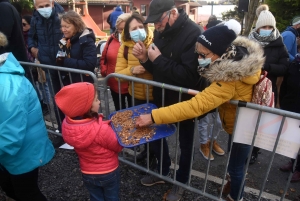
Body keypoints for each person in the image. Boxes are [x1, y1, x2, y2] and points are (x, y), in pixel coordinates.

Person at [136, 20, 265, 201]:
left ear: (219, 53)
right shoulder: (238, 57)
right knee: (235, 164)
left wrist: (153, 116)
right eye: (198, 54)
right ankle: (233, 188)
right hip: (238, 123)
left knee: (236, 167)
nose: (199, 59)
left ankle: (236, 197)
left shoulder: (229, 79)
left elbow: (195, 106)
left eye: (203, 54)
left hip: (242, 127)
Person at [132, 0, 203, 200]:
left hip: (184, 102)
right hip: (161, 96)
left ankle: (181, 182)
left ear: (172, 13)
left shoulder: (194, 33)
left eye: (159, 21)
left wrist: (157, 59)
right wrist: (145, 59)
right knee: (157, 135)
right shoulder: (161, 31)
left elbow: (190, 76)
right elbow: (157, 70)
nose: (156, 26)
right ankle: (162, 172)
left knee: (185, 143)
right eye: (153, 22)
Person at [0, 32, 55, 201]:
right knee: (13, 190)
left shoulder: (8, 83)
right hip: (12, 151)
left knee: (27, 194)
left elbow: (11, 134)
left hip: (20, 151)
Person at [55, 82, 123, 201]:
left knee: (96, 197)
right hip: (108, 171)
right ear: (86, 107)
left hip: (87, 171)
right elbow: (118, 146)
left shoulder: (68, 125)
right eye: (96, 100)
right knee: (112, 197)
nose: (99, 102)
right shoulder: (102, 129)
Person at [248, 4, 289, 164]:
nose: (266, 29)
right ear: (257, 27)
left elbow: (285, 67)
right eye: (263, 26)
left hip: (267, 90)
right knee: (246, 120)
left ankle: (254, 151)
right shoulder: (248, 42)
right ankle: (241, 147)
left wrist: (266, 66)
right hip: (248, 88)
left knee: (261, 123)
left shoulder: (279, 45)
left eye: (269, 26)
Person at [28, 0, 65, 133]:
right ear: (35, 7)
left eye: (47, 6)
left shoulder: (62, 16)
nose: (44, 9)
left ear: (53, 4)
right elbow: (31, 36)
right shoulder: (35, 19)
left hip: (64, 66)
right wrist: (33, 48)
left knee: (69, 98)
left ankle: (74, 129)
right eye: (41, 7)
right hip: (47, 65)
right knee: (56, 99)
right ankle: (61, 130)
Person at [101, 13, 131, 111]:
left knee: (133, 111)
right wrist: (104, 70)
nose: (122, 32)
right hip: (115, 83)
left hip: (132, 85)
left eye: (124, 29)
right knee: (119, 111)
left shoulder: (135, 40)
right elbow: (104, 57)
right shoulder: (111, 39)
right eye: (120, 29)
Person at [58, 10, 97, 84]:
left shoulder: (86, 40)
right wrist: (62, 60)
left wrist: (65, 61)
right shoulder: (64, 40)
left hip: (83, 83)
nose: (63, 30)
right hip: (69, 81)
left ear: (76, 26)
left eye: (67, 27)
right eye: (62, 26)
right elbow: (58, 60)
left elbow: (89, 64)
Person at [22, 15, 50, 115]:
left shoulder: (34, 35)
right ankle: (40, 102)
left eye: (24, 24)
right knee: (35, 84)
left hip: (38, 61)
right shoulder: (22, 36)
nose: (22, 27)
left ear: (30, 25)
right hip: (29, 62)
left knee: (43, 83)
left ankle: (47, 104)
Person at [279, 51, 300, 183]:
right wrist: (282, 104)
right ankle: (293, 162)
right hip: (291, 107)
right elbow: (285, 84)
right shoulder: (295, 62)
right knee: (292, 139)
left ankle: (299, 169)